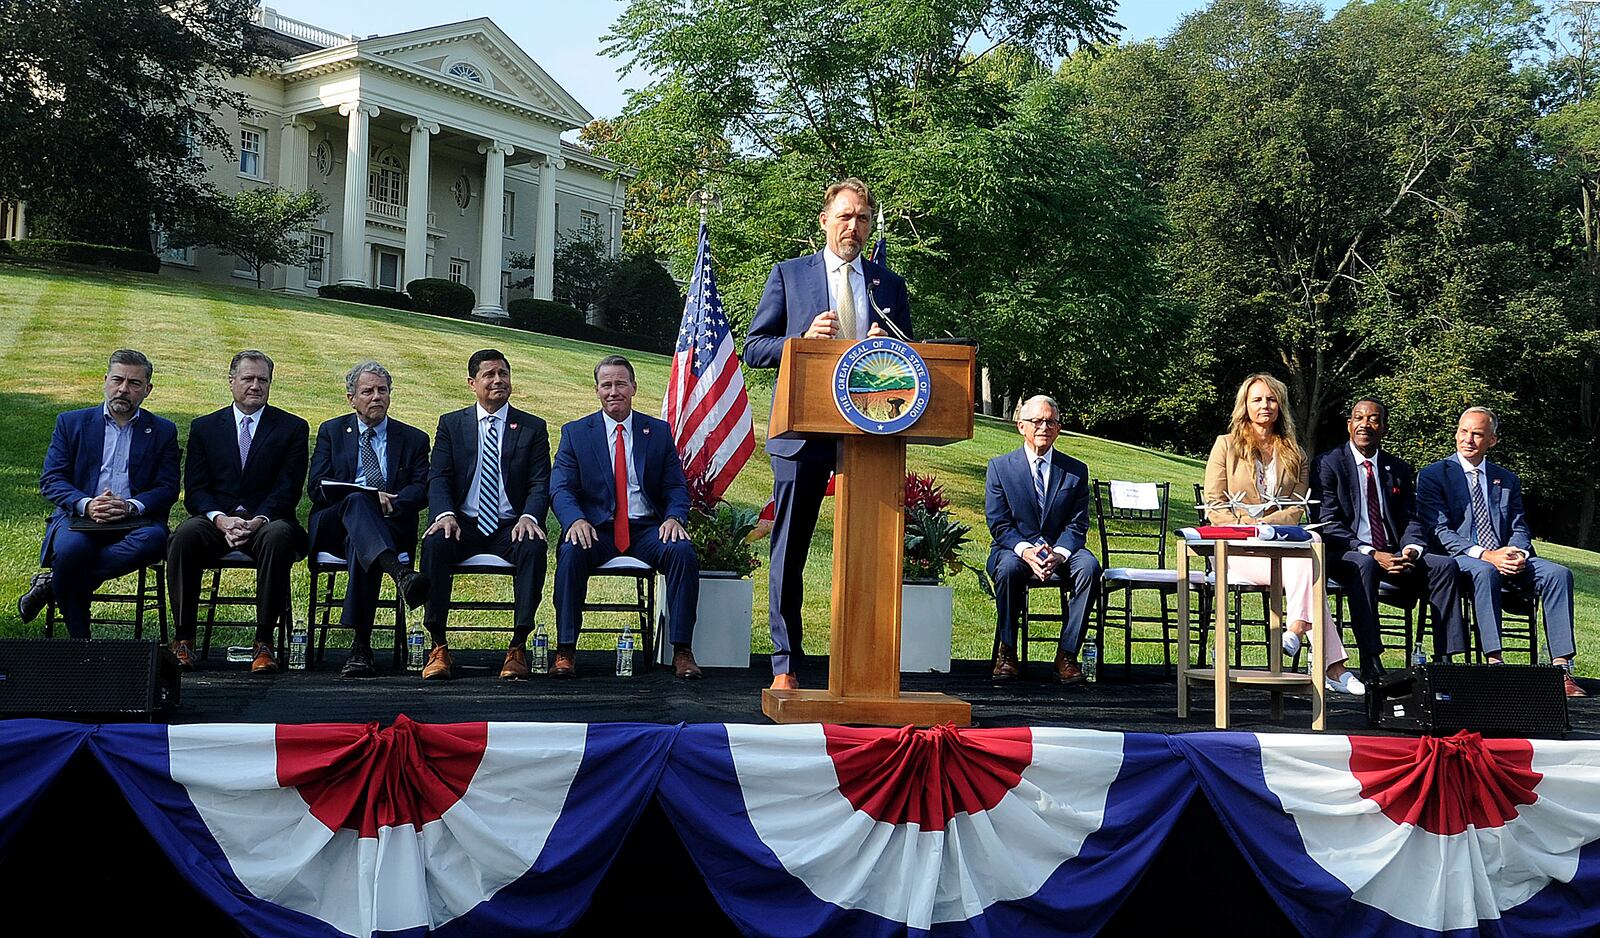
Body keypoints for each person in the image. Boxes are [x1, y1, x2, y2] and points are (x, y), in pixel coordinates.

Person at [744, 177, 913, 690]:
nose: (853, 227)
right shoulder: (790, 275)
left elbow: (911, 360)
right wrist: (801, 341)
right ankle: (785, 665)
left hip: (871, 438)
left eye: (862, 218)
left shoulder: (888, 285)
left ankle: (868, 668)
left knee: (872, 554)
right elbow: (754, 347)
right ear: (824, 220)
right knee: (790, 550)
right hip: (802, 433)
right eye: (844, 217)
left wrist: (891, 343)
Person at [1203, 373, 1363, 695]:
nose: (1265, 405)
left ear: (1281, 406)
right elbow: (1213, 503)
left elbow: (1297, 506)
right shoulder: (1226, 445)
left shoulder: (1296, 454)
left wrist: (1271, 528)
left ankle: (1302, 633)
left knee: (1308, 551)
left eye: (1272, 399)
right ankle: (1327, 659)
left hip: (1279, 547)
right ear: (1245, 406)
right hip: (1237, 549)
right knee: (1311, 556)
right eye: (1258, 399)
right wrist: (1248, 528)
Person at [1415, 406, 1585, 697]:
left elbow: (1519, 525)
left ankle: (1561, 669)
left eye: (1477, 434)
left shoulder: (1505, 479)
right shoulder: (1434, 475)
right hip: (1464, 559)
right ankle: (1495, 663)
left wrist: (1518, 552)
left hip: (1506, 556)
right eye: (1463, 431)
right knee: (1485, 572)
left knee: (1559, 574)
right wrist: (1486, 555)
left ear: (1492, 440)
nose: (1467, 439)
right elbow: (1440, 532)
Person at [551, 355, 703, 679]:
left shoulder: (658, 433)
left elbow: (675, 485)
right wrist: (575, 520)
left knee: (682, 552)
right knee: (569, 552)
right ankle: (565, 649)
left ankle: (682, 650)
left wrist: (675, 517)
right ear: (596, 390)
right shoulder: (576, 433)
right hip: (597, 530)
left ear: (633, 387)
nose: (613, 391)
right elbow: (561, 488)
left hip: (647, 530)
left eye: (621, 383)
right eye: (606, 385)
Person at [20, 349, 180, 637]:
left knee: (155, 540)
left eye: (134, 383)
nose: (123, 389)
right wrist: (86, 504)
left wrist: (131, 506)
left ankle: (54, 583)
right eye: (118, 380)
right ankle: (81, 642)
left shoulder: (162, 431)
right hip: (79, 518)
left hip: (136, 523)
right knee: (71, 551)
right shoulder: (71, 423)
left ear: (148, 390)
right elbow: (52, 479)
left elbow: (167, 487)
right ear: (105, 381)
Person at [167, 350, 309, 673]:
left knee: (278, 537)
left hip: (267, 522)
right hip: (218, 521)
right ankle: (183, 640)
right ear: (231, 381)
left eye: (263, 380)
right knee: (183, 537)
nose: (255, 386)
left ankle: (264, 643)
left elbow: (289, 488)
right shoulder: (205, 428)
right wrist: (221, 519)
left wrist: (258, 519)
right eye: (248, 378)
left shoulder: (292, 428)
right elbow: (196, 489)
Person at [419, 349, 550, 681]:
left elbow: (539, 482)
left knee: (533, 545)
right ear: (471, 382)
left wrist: (529, 517)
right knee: (435, 543)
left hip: (510, 525)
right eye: (489, 375)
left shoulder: (532, 427)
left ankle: (518, 646)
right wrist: (444, 515)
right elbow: (439, 476)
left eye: (503, 373)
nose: (498, 380)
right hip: (464, 523)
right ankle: (438, 645)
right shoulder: (452, 423)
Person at [1311, 398, 1465, 680]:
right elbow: (1327, 522)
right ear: (1349, 425)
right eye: (1358, 418)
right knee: (1364, 565)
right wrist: (1371, 552)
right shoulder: (1327, 464)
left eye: (1373, 419)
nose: (1364, 425)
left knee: (1445, 566)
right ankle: (1371, 659)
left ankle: (1445, 660)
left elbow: (1409, 518)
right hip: (1344, 553)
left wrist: (1411, 550)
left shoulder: (1398, 468)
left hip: (1393, 553)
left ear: (1384, 428)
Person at [306, 361, 431, 677]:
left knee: (362, 545)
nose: (376, 397)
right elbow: (316, 487)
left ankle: (360, 648)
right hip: (334, 523)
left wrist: (392, 502)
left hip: (387, 524)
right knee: (359, 500)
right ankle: (401, 574)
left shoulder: (413, 438)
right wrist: (364, 495)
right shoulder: (332, 432)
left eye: (382, 390)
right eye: (367, 391)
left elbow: (421, 487)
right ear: (351, 398)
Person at [984, 395, 1102, 683]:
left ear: (1058, 428)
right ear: (1021, 426)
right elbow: (999, 523)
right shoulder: (1000, 468)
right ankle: (1008, 651)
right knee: (1009, 568)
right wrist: (1026, 552)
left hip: (1060, 551)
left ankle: (1067, 653)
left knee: (1089, 567)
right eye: (1037, 421)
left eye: (1051, 421)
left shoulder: (1075, 470)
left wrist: (1059, 553)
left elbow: (1077, 525)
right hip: (1013, 549)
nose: (1044, 427)